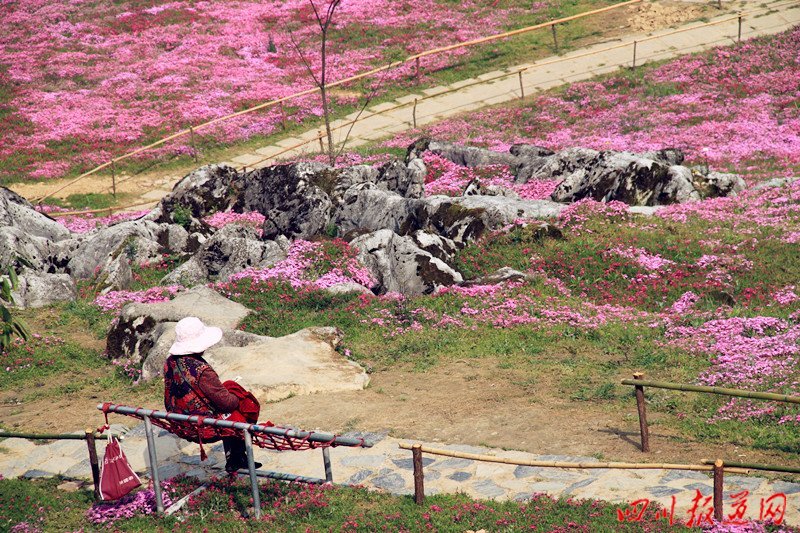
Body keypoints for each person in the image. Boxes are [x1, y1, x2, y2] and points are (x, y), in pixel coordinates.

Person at [164, 316, 261, 473]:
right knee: (241, 403)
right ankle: (237, 457)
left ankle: (235, 458)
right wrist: (237, 395)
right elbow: (227, 403)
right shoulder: (202, 371)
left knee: (229, 390)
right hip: (202, 426)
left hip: (179, 419)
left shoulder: (170, 362)